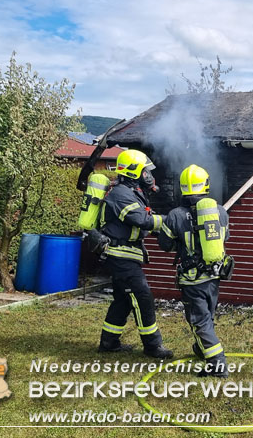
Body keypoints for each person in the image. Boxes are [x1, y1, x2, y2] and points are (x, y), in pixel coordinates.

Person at [97, 149, 174, 359]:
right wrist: (171, 220)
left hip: (126, 255)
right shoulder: (121, 194)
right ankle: (153, 346)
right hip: (120, 256)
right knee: (142, 297)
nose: (149, 175)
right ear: (134, 171)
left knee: (123, 299)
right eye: (146, 171)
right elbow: (142, 220)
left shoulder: (131, 192)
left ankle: (109, 342)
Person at [158, 164, 231, 377]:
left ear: (183, 187)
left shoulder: (175, 215)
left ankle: (218, 366)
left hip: (192, 280)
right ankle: (203, 348)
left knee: (199, 321)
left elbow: (165, 245)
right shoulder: (220, 212)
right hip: (214, 276)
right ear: (206, 185)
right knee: (207, 316)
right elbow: (223, 239)